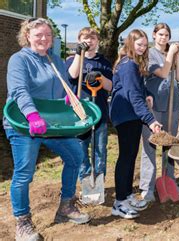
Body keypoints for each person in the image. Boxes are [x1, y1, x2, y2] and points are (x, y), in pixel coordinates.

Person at [4, 17, 90, 241]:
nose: (43, 38)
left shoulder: (55, 60)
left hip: (52, 123)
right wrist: (32, 115)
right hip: (24, 123)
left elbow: (64, 86)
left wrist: (68, 98)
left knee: (76, 156)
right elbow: (19, 90)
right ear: (27, 36)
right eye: (38, 34)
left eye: (48, 35)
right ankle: (22, 223)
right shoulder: (19, 60)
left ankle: (66, 206)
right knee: (24, 173)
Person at [109, 29, 163, 219]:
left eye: (144, 45)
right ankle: (119, 203)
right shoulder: (128, 65)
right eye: (138, 44)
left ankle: (127, 195)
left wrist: (147, 92)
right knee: (125, 157)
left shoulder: (132, 63)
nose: (142, 48)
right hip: (125, 114)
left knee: (131, 155)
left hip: (131, 114)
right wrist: (150, 120)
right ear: (130, 44)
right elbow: (132, 95)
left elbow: (136, 87)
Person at [139, 23, 179, 203]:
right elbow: (163, 72)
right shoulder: (149, 54)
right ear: (154, 35)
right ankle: (147, 187)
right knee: (150, 146)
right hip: (154, 107)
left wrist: (177, 57)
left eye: (166, 35)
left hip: (172, 107)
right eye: (160, 34)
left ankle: (169, 181)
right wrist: (171, 55)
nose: (163, 38)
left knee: (170, 146)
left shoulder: (172, 54)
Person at [65, 27, 113, 186]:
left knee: (100, 151)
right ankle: (85, 183)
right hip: (79, 114)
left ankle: (98, 184)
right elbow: (73, 75)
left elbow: (111, 86)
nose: (89, 41)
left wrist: (100, 77)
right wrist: (80, 54)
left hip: (99, 112)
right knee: (81, 151)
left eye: (93, 38)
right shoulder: (72, 59)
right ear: (79, 40)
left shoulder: (104, 62)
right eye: (85, 38)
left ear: (98, 41)